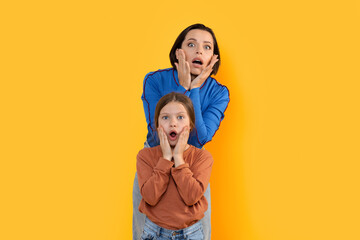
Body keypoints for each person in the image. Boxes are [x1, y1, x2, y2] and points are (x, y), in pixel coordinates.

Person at [133, 23, 230, 240]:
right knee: (143, 231)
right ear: (179, 51)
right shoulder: (155, 80)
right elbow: (159, 128)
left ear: (213, 58)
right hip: (155, 162)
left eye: (206, 47)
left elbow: (200, 137)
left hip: (192, 167)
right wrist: (183, 88)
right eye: (191, 44)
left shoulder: (218, 93)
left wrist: (193, 89)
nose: (198, 51)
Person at [137, 92, 213, 240]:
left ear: (190, 125)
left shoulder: (202, 157)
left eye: (180, 117)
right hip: (153, 233)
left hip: (192, 234)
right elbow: (150, 197)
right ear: (158, 126)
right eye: (165, 117)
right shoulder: (145, 156)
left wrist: (178, 157)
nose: (173, 123)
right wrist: (165, 159)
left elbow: (191, 197)